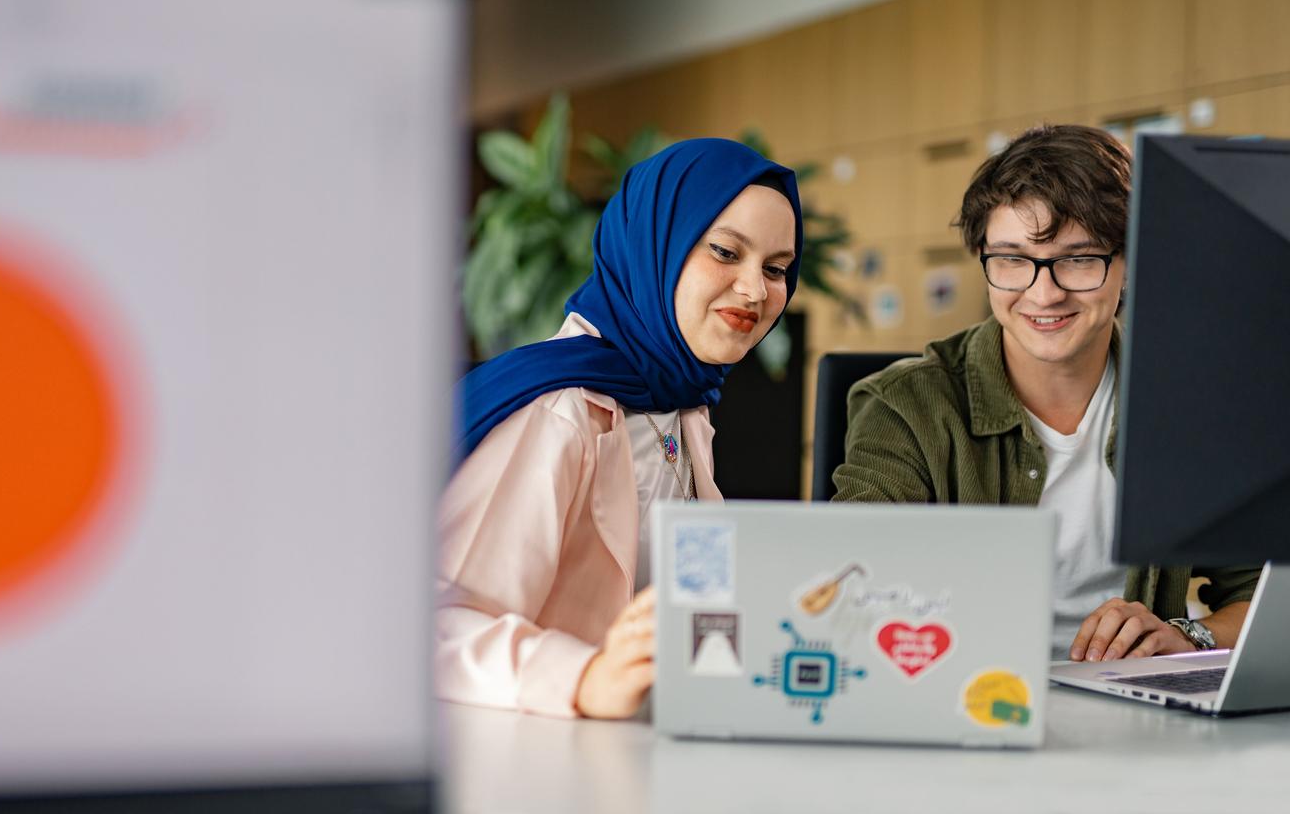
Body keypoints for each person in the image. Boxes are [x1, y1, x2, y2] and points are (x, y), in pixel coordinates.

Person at [831, 124, 1259, 662]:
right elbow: (860, 591)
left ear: (1130, 264)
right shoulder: (905, 407)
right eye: (1011, 259)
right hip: (964, 702)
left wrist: (1189, 636)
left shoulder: (1194, 403)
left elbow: (1262, 594)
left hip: (1140, 715)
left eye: (1079, 259)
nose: (1044, 292)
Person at [437, 139, 802, 718]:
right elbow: (431, 630)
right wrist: (582, 678)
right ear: (655, 245)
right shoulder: (560, 411)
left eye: (777, 268)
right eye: (726, 252)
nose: (757, 290)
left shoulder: (681, 403)